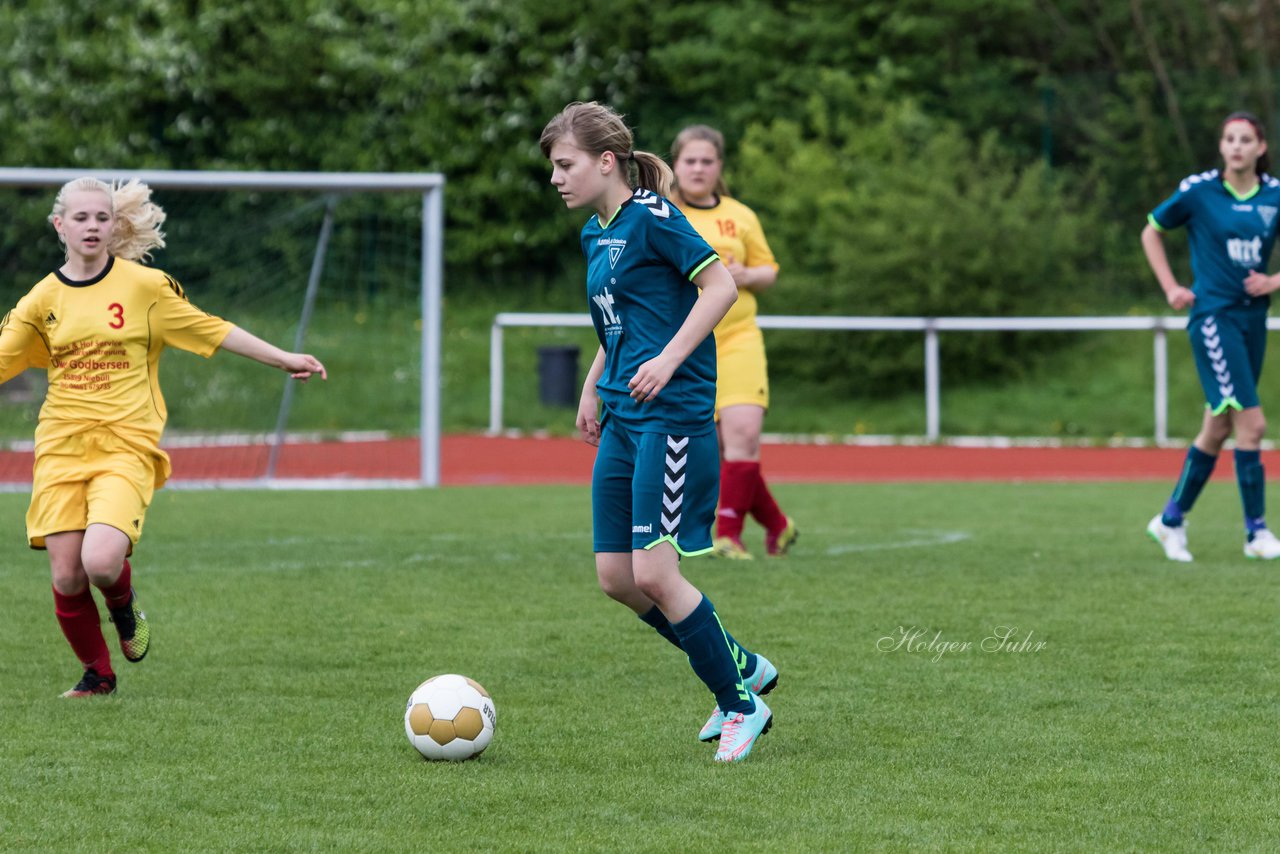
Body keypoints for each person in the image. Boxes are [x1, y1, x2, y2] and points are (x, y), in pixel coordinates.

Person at [0, 177, 327, 697]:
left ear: (113, 225)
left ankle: (125, 607)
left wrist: (284, 357)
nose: (91, 226)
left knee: (101, 561)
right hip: (60, 448)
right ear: (59, 225)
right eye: (80, 218)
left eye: (101, 218)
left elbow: (212, 328)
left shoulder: (145, 288)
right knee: (66, 577)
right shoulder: (42, 298)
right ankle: (98, 675)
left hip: (125, 446)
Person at [540, 102, 778, 762]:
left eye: (566, 165)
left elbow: (720, 286)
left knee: (655, 571)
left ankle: (739, 702)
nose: (556, 178)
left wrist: (668, 360)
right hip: (621, 416)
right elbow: (620, 322)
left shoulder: (656, 217)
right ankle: (740, 664)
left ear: (605, 161)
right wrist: (593, 385)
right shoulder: (598, 231)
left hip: (671, 420)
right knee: (617, 577)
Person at [1143, 111, 1280, 561]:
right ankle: (1256, 533)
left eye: (1245, 139)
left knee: (1218, 427)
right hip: (1213, 319)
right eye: (1229, 138)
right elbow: (1152, 232)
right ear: (1221, 147)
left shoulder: (1274, 195)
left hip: (1252, 321)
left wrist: (1273, 282)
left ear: (1261, 148)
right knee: (1253, 424)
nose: (1236, 146)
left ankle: (1169, 521)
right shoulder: (1199, 191)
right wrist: (1171, 288)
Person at [670, 125, 797, 560]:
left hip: (739, 339)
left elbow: (769, 270)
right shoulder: (662, 212)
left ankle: (727, 534)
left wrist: (746, 275)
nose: (699, 168)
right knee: (720, 448)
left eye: (707, 160)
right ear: (675, 165)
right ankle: (778, 525)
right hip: (685, 345)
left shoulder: (741, 215)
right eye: (690, 160)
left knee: (742, 436)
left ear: (719, 166)